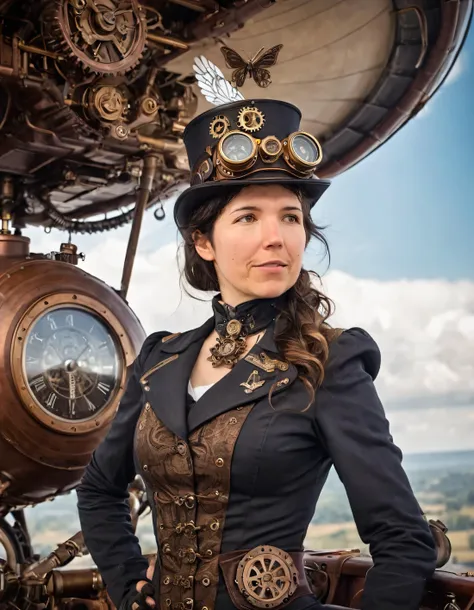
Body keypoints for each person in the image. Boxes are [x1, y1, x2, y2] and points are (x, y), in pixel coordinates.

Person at [76, 95, 437, 610]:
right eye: (247, 217)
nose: (276, 239)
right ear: (204, 242)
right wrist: (128, 587)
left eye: (290, 218)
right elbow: (97, 490)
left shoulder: (327, 360)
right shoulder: (158, 361)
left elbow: (403, 538)